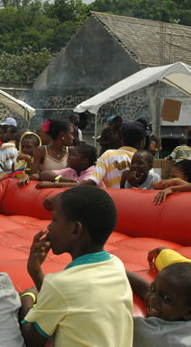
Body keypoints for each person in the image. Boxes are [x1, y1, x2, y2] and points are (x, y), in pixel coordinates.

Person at [21, 186, 133, 347]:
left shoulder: (60, 284)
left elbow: (31, 341)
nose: (49, 227)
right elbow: (64, 300)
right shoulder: (116, 265)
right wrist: (35, 271)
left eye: (54, 220)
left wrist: (27, 300)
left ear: (75, 230)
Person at [126, 262, 191, 347]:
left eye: (166, 299)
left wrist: (113, 269)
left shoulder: (150, 333)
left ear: (188, 313)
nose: (153, 298)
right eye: (153, 289)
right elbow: (144, 288)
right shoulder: (181, 306)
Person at [81, 121, 150, 188]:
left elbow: (93, 181)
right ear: (142, 142)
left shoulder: (108, 155)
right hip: (137, 198)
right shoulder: (144, 159)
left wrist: (71, 189)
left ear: (121, 140)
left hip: (111, 198)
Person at [22, 143, 98, 189]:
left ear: (84, 160)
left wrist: (53, 184)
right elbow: (44, 174)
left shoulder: (94, 172)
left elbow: (82, 186)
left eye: (74, 155)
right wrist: (65, 180)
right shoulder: (71, 170)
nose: (69, 157)